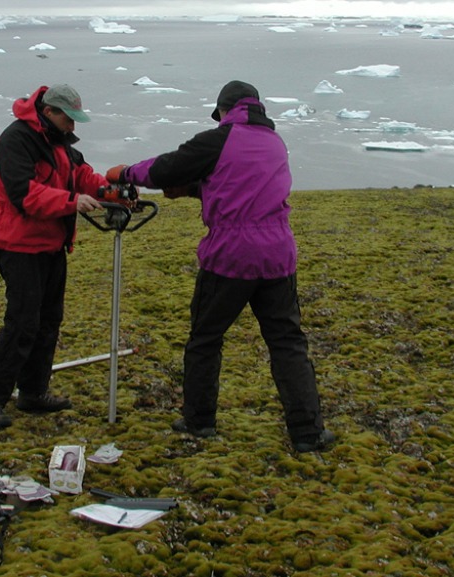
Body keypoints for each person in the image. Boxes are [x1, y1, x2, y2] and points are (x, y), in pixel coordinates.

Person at [105, 80, 335, 452]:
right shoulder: (275, 142)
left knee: (205, 339)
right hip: (278, 255)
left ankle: (199, 421)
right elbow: (243, 185)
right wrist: (198, 189)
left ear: (225, 111)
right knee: (288, 343)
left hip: (231, 256)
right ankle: (308, 433)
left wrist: (127, 173)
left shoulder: (218, 139)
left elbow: (166, 168)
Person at [0, 84, 107, 429]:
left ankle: (33, 393)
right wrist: (70, 202)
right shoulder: (16, 141)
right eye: (69, 119)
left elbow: (80, 175)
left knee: (48, 321)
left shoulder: (57, 140)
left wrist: (112, 192)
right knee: (22, 322)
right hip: (18, 246)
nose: (73, 127)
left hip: (50, 246)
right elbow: (23, 194)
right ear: (49, 112)